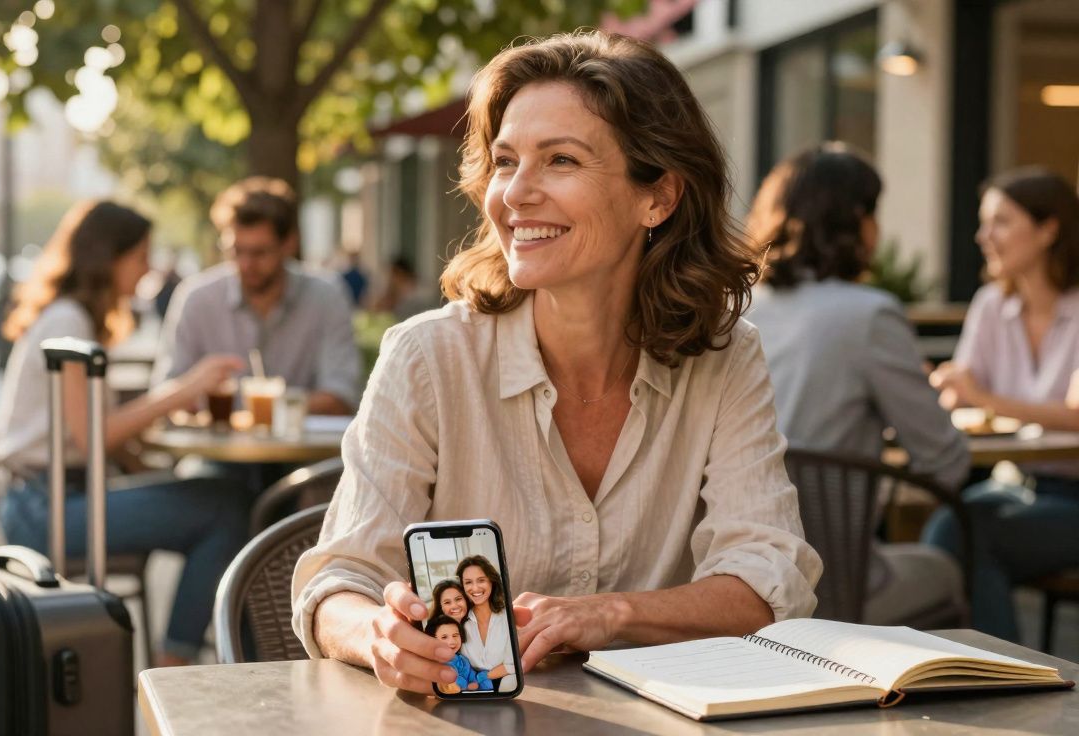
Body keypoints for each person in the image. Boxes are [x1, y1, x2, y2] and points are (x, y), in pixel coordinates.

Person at [292, 31, 822, 696]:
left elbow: (768, 581)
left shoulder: (725, 357)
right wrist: (378, 636)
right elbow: (336, 586)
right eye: (506, 162)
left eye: (560, 161)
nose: (515, 194)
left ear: (656, 197)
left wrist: (611, 614)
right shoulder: (428, 357)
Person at [0, 200, 251, 666]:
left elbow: (88, 438)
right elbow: (93, 438)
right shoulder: (68, 322)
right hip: (45, 510)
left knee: (219, 498)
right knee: (225, 508)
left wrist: (154, 471)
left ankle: (178, 652)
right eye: (140, 256)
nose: (148, 269)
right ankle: (174, 660)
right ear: (108, 258)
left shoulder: (69, 316)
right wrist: (182, 390)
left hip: (53, 497)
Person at [744, 143, 970, 626]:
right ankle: (1013, 688)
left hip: (730, 582)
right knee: (946, 565)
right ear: (855, 222)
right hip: (832, 584)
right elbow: (946, 462)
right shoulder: (869, 315)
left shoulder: (733, 310)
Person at [923, 167, 1079, 642]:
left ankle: (1008, 673)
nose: (983, 236)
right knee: (948, 527)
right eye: (983, 222)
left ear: (1049, 228)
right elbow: (963, 394)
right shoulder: (992, 305)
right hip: (1015, 483)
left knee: (968, 536)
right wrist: (948, 386)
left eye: (1001, 222)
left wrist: (984, 398)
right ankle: (989, 667)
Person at [154, 177, 360, 416]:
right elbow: (164, 394)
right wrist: (193, 390)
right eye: (236, 251)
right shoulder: (197, 297)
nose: (246, 264)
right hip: (215, 449)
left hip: (301, 451)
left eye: (260, 252)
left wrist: (263, 409)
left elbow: (342, 396)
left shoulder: (326, 296)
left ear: (289, 244)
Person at [455, 556, 516, 691]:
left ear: (491, 581)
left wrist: (481, 678)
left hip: (504, 683)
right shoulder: (459, 621)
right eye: (468, 582)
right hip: (468, 687)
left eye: (481, 580)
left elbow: (512, 665)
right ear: (462, 587)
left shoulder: (507, 616)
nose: (475, 588)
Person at [425, 617, 492, 693]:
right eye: (444, 637)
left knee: (484, 676)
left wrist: (473, 681)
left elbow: (470, 672)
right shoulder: (437, 662)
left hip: (470, 686)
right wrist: (464, 685)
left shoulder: (462, 658)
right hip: (455, 688)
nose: (452, 641)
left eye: (455, 635)